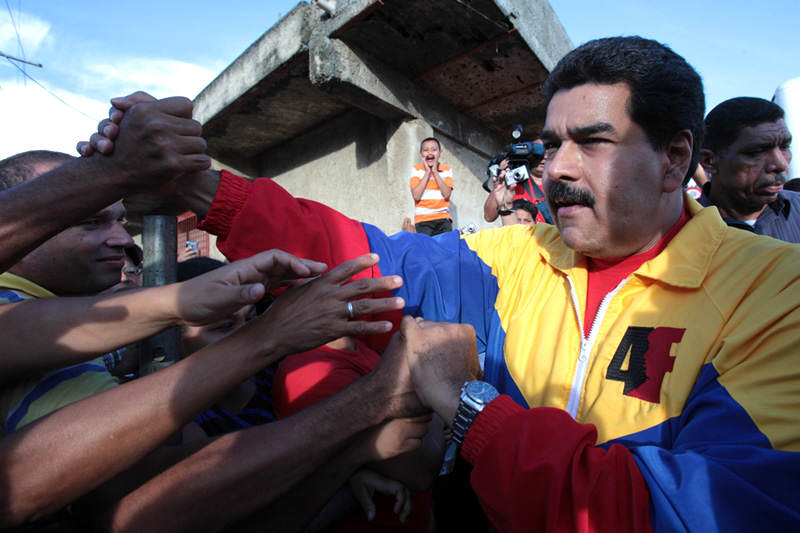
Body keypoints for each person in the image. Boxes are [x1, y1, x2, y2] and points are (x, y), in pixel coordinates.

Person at [86, 36, 800, 531]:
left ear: (676, 158)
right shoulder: (511, 257)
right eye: (551, 145)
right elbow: (359, 252)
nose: (556, 170)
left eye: (593, 141)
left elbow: (692, 510)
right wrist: (200, 186)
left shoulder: (776, 294)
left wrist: (473, 412)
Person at [699, 96, 799, 242]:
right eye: (757, 152)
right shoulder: (680, 230)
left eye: (784, 147)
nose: (781, 165)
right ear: (709, 161)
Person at [483, 140, 552, 225]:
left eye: (548, 152)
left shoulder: (559, 186)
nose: (544, 156)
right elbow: (489, 217)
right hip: (515, 236)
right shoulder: (511, 183)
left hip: (547, 237)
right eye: (538, 153)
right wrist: (501, 177)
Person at [409, 137, 454, 236]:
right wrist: (427, 173)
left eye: (434, 150)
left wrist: (435, 172)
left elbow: (447, 194)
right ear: (421, 155)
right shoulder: (416, 170)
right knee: (427, 250)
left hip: (443, 219)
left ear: (440, 153)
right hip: (423, 220)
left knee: (446, 249)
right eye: (426, 150)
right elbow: (416, 196)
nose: (430, 153)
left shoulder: (447, 170)